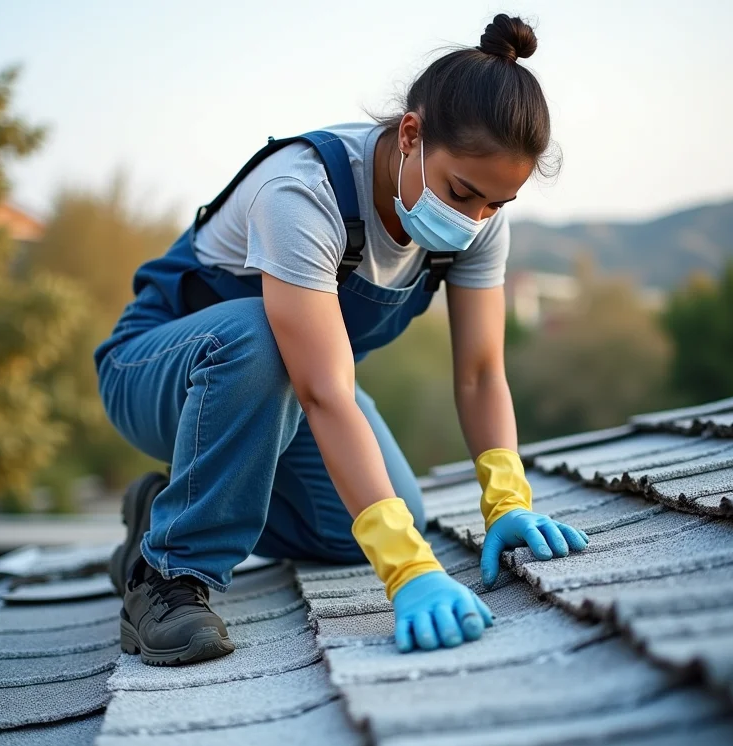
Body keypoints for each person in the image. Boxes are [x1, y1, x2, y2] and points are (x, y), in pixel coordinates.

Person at [95, 13, 588, 667]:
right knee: (260, 335)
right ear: (411, 134)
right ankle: (169, 573)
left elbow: (479, 372)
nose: (473, 221)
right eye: (463, 193)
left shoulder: (476, 221)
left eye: (496, 205)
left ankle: (167, 507)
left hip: (288, 396)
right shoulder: (304, 191)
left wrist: (506, 499)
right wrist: (408, 571)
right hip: (155, 374)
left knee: (376, 517)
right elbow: (325, 389)